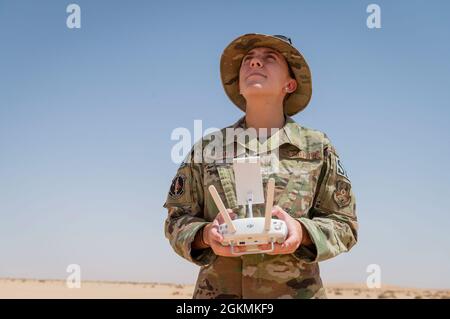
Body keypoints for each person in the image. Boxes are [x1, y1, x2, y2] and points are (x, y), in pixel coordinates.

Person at [163, 33, 358, 299]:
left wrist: (302, 232)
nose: (255, 64)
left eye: (270, 58)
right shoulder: (207, 148)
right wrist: (206, 235)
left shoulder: (316, 148)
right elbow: (177, 220)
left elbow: (344, 224)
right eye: (248, 60)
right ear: (240, 87)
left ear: (289, 85)